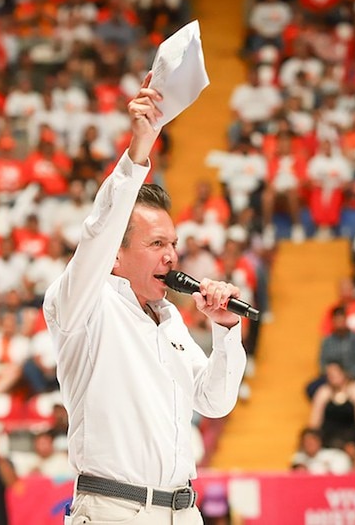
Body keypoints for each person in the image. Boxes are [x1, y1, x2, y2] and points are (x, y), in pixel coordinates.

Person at [43, 74, 247, 524]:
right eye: (156, 245)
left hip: (182, 510)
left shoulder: (170, 318)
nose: (172, 255)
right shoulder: (83, 305)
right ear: (115, 256)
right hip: (114, 510)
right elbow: (98, 230)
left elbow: (214, 402)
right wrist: (140, 149)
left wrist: (225, 330)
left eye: (172, 243)